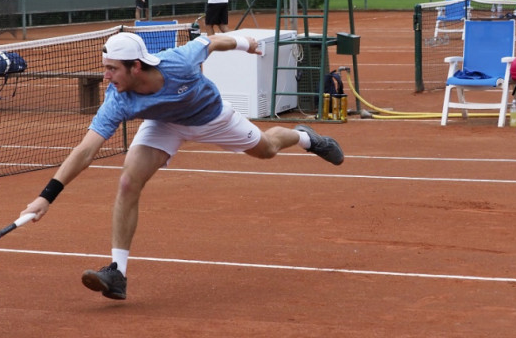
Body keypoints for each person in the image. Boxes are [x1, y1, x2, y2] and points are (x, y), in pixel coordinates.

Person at [21, 31, 344, 301]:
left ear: (135, 67)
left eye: (111, 69)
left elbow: (214, 41)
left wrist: (247, 44)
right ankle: (117, 272)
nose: (105, 76)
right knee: (128, 183)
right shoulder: (117, 98)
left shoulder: (180, 62)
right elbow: (85, 150)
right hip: (163, 124)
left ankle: (305, 138)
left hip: (212, 117)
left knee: (267, 149)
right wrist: (46, 197)